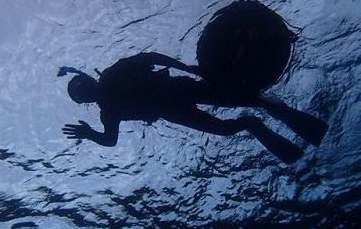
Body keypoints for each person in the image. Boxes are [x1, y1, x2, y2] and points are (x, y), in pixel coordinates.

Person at [58, 52, 328, 164]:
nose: (86, 93)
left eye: (82, 87)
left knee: (246, 98)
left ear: (89, 80)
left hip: (178, 90)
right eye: (81, 96)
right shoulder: (108, 110)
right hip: (173, 111)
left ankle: (269, 112)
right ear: (85, 102)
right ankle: (253, 123)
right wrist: (89, 134)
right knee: (225, 128)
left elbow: (149, 57)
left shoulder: (113, 75)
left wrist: (185, 67)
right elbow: (110, 139)